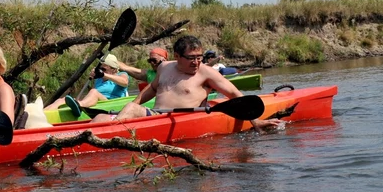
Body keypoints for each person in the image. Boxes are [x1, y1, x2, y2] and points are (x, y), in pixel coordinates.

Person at [94, 35, 281, 131]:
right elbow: (151, 89)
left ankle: (107, 136)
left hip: (182, 119)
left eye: (199, 57)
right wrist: (127, 110)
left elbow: (236, 96)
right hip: (156, 116)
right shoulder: (164, 67)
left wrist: (255, 121)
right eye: (191, 58)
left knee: (130, 110)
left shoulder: (206, 73)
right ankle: (90, 136)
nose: (197, 62)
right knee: (100, 118)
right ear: (177, 56)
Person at [46, 53, 129, 110]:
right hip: (98, 104)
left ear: (113, 69)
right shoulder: (99, 79)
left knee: (94, 92)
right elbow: (91, 96)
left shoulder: (121, 74)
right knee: (62, 100)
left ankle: (80, 106)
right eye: (100, 68)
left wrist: (103, 74)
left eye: (104, 69)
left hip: (111, 104)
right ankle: (41, 113)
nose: (101, 71)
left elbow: (125, 82)